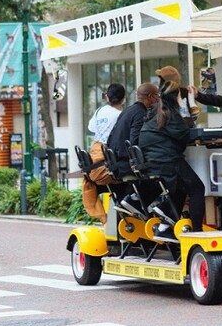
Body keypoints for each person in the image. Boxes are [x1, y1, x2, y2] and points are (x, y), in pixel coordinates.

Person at [139, 80, 205, 238]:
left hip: (153, 162)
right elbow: (184, 134)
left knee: (183, 186)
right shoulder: (171, 113)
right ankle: (197, 232)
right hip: (167, 161)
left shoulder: (156, 110)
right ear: (177, 98)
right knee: (197, 188)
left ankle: (164, 227)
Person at [82, 83, 127, 224]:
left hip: (94, 160)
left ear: (107, 97)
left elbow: (91, 127)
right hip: (107, 161)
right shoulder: (121, 116)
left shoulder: (99, 111)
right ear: (124, 99)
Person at [107, 82, 159, 176]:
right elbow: (134, 142)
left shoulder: (127, 110)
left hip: (117, 164)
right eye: (157, 95)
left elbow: (110, 138)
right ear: (150, 96)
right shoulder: (141, 114)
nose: (159, 99)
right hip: (128, 166)